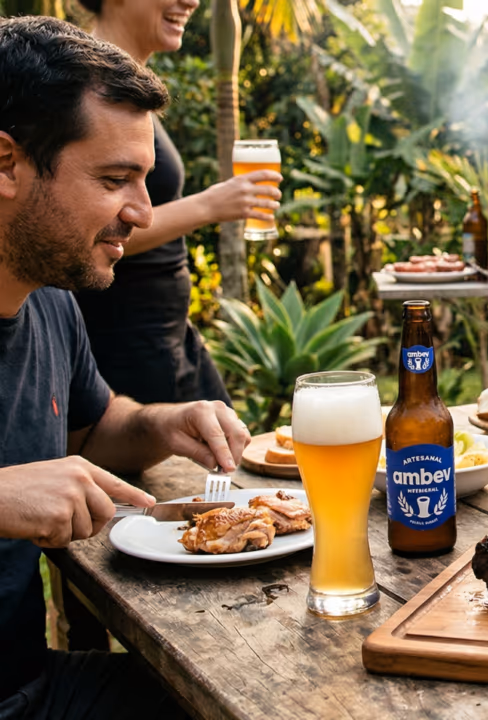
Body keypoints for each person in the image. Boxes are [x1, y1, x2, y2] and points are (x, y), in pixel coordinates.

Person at [0, 16, 252, 717]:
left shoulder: (50, 303)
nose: (142, 213)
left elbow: (93, 427)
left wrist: (164, 423)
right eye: (116, 180)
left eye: (144, 181)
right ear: (6, 163)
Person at [71, 0, 284, 405]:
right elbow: (77, 229)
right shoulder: (86, 89)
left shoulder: (128, 83)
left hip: (169, 333)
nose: (191, 1)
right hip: (126, 342)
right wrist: (210, 206)